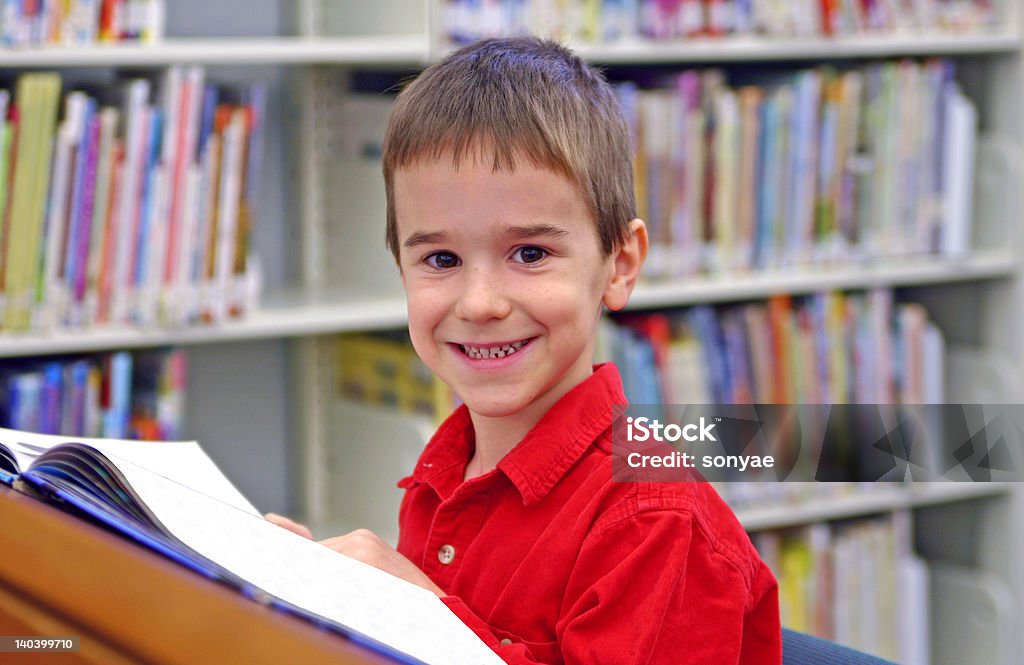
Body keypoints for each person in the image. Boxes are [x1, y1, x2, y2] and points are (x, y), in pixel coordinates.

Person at [268, 36, 781, 664]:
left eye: (530, 253)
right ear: (401, 272)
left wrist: (422, 614)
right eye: (441, 259)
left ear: (619, 266)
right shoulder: (444, 469)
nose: (480, 302)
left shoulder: (655, 519)